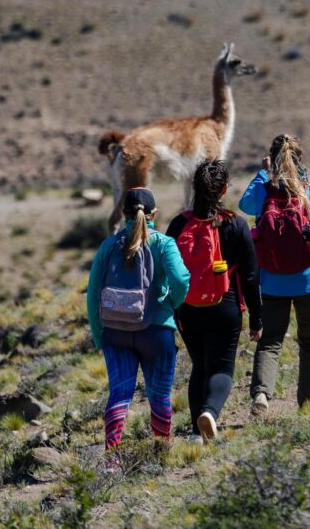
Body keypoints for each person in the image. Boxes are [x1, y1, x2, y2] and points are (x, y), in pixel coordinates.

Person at [86, 187, 190, 450]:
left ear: (123, 214)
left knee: (120, 394)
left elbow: (93, 294)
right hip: (157, 332)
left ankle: (112, 456)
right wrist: (170, 305)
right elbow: (180, 279)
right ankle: (161, 451)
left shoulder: (109, 245)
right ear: (154, 213)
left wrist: (100, 335)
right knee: (159, 396)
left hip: (115, 332)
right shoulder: (164, 243)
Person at [167, 159, 263, 441]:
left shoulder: (178, 224)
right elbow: (250, 277)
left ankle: (197, 434)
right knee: (221, 368)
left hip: (187, 309)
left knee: (199, 365)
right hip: (225, 307)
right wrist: (257, 318)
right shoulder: (235, 225)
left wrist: (172, 312)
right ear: (223, 191)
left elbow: (166, 272)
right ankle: (209, 412)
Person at [239, 134, 310, 413]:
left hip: (272, 283)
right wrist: (301, 179)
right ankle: (308, 405)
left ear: (271, 160)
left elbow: (244, 206)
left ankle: (261, 395)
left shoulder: (262, 192)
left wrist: (262, 173)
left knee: (270, 342)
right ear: (298, 159)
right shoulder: (307, 192)